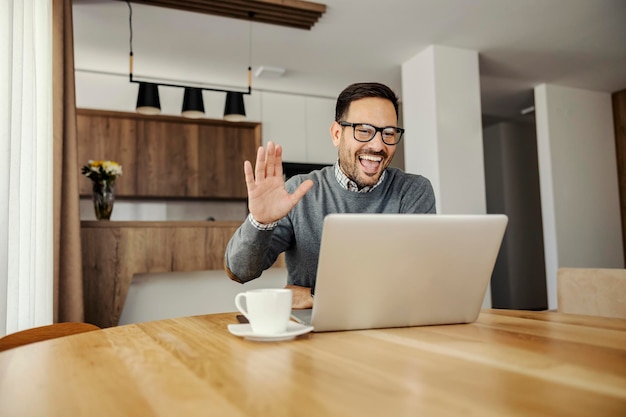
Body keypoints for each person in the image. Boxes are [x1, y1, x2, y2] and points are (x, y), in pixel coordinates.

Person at [224, 82, 436, 309]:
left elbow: (418, 283)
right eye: (364, 130)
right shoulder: (299, 191)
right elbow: (240, 271)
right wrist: (260, 222)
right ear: (337, 134)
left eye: (389, 133)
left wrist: (315, 296)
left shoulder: (413, 191)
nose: (377, 145)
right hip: (313, 334)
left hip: (389, 327)